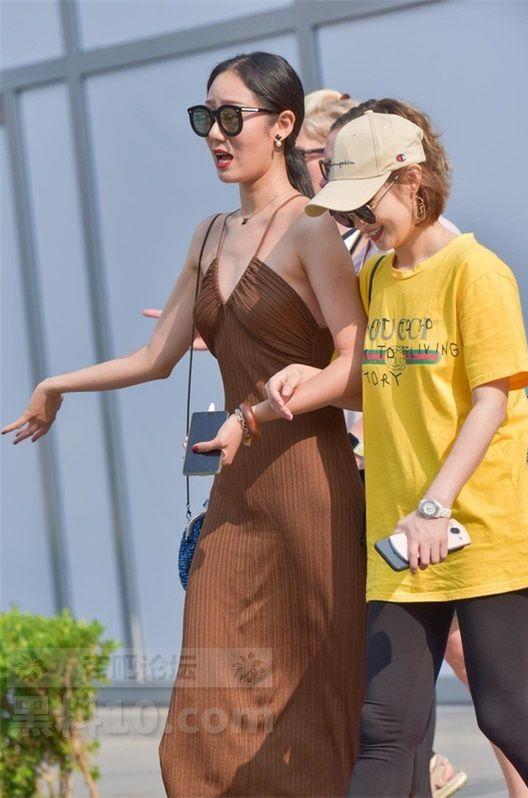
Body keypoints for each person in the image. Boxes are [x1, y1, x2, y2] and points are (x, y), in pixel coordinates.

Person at [0, 50, 373, 797]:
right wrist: (54, 383)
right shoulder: (208, 235)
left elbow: (357, 371)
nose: (216, 134)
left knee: (310, 707)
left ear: (284, 125)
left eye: (232, 117)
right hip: (234, 499)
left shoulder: (312, 230)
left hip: (311, 490)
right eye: (206, 118)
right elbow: (155, 357)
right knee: (201, 723)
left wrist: (255, 412)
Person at [260, 108, 528, 795]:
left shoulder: (476, 272)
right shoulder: (377, 279)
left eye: (365, 205)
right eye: (345, 212)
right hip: (402, 535)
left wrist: (436, 506)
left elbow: (491, 402)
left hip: (478, 528)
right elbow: (372, 383)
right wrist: (306, 379)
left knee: (509, 714)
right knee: (384, 727)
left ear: (413, 180)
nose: (357, 223)